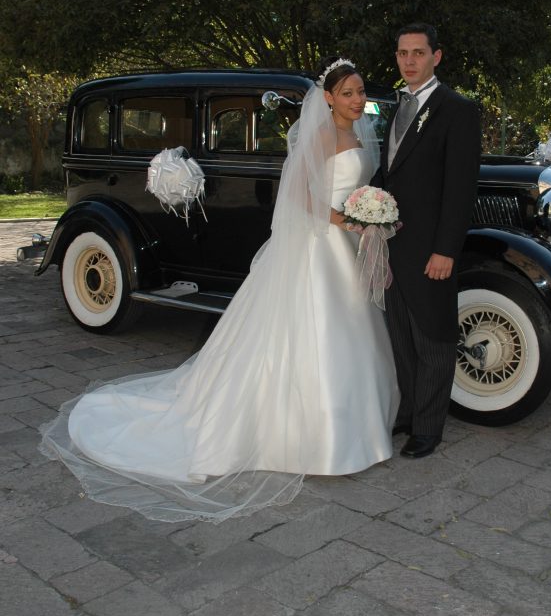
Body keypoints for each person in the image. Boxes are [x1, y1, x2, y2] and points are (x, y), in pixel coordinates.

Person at [40, 58, 399, 522]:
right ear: (328, 97)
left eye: (359, 92)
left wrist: (368, 216)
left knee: (353, 326)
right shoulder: (322, 135)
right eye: (347, 92)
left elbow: (356, 185)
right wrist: (345, 219)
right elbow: (299, 197)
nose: (355, 100)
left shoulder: (359, 134)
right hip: (323, 243)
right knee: (321, 328)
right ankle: (312, 437)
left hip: (348, 244)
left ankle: (357, 429)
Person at [372, 23, 481, 459]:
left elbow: (460, 189)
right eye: (403, 53)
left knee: (434, 339)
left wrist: (445, 250)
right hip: (392, 246)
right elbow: (392, 171)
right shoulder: (398, 107)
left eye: (419, 53)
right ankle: (410, 413)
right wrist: (366, 205)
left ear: (437, 56)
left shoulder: (458, 109)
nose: (410, 60)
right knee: (400, 336)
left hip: (430, 250)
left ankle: (429, 429)